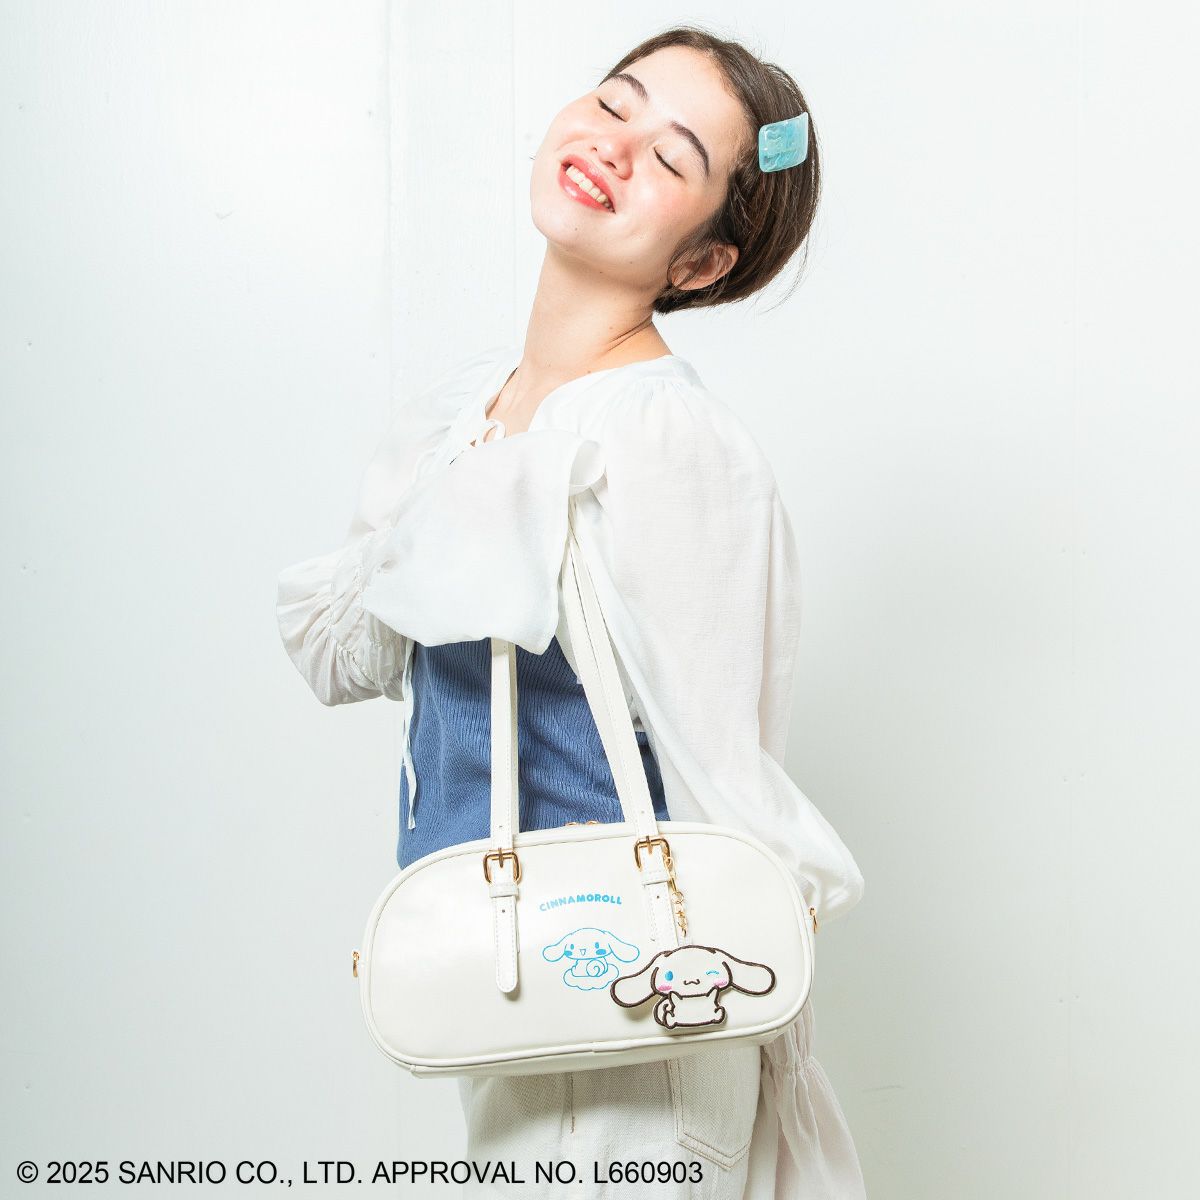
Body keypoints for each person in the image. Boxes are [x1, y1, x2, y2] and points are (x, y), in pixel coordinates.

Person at [276, 24, 867, 1200]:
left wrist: (767, 1030)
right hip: (504, 988)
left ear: (700, 263)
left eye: (673, 155)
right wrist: (468, 485)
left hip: (642, 1022)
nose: (616, 144)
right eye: (615, 101)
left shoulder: (667, 439)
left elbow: (719, 766)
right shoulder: (464, 417)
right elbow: (343, 654)